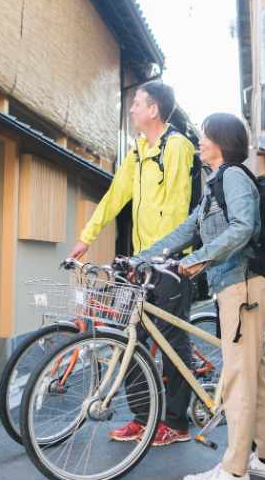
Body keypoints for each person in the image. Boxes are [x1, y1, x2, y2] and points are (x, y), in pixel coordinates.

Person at [137, 113, 265, 480]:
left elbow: (242, 228)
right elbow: (185, 231)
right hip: (234, 286)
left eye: (204, 137)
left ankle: (234, 470)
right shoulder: (214, 185)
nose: (199, 142)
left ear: (221, 141)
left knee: (237, 377)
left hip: (243, 285)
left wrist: (198, 261)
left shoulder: (233, 177)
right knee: (252, 376)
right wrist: (137, 259)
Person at [69, 80, 196, 446]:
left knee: (173, 343)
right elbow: (115, 196)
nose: (132, 109)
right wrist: (86, 236)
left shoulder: (178, 147)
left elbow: (176, 208)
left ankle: (176, 422)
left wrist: (159, 257)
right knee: (130, 337)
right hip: (142, 264)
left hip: (170, 264)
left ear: (154, 109)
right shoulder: (138, 150)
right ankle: (144, 417)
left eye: (137, 103)